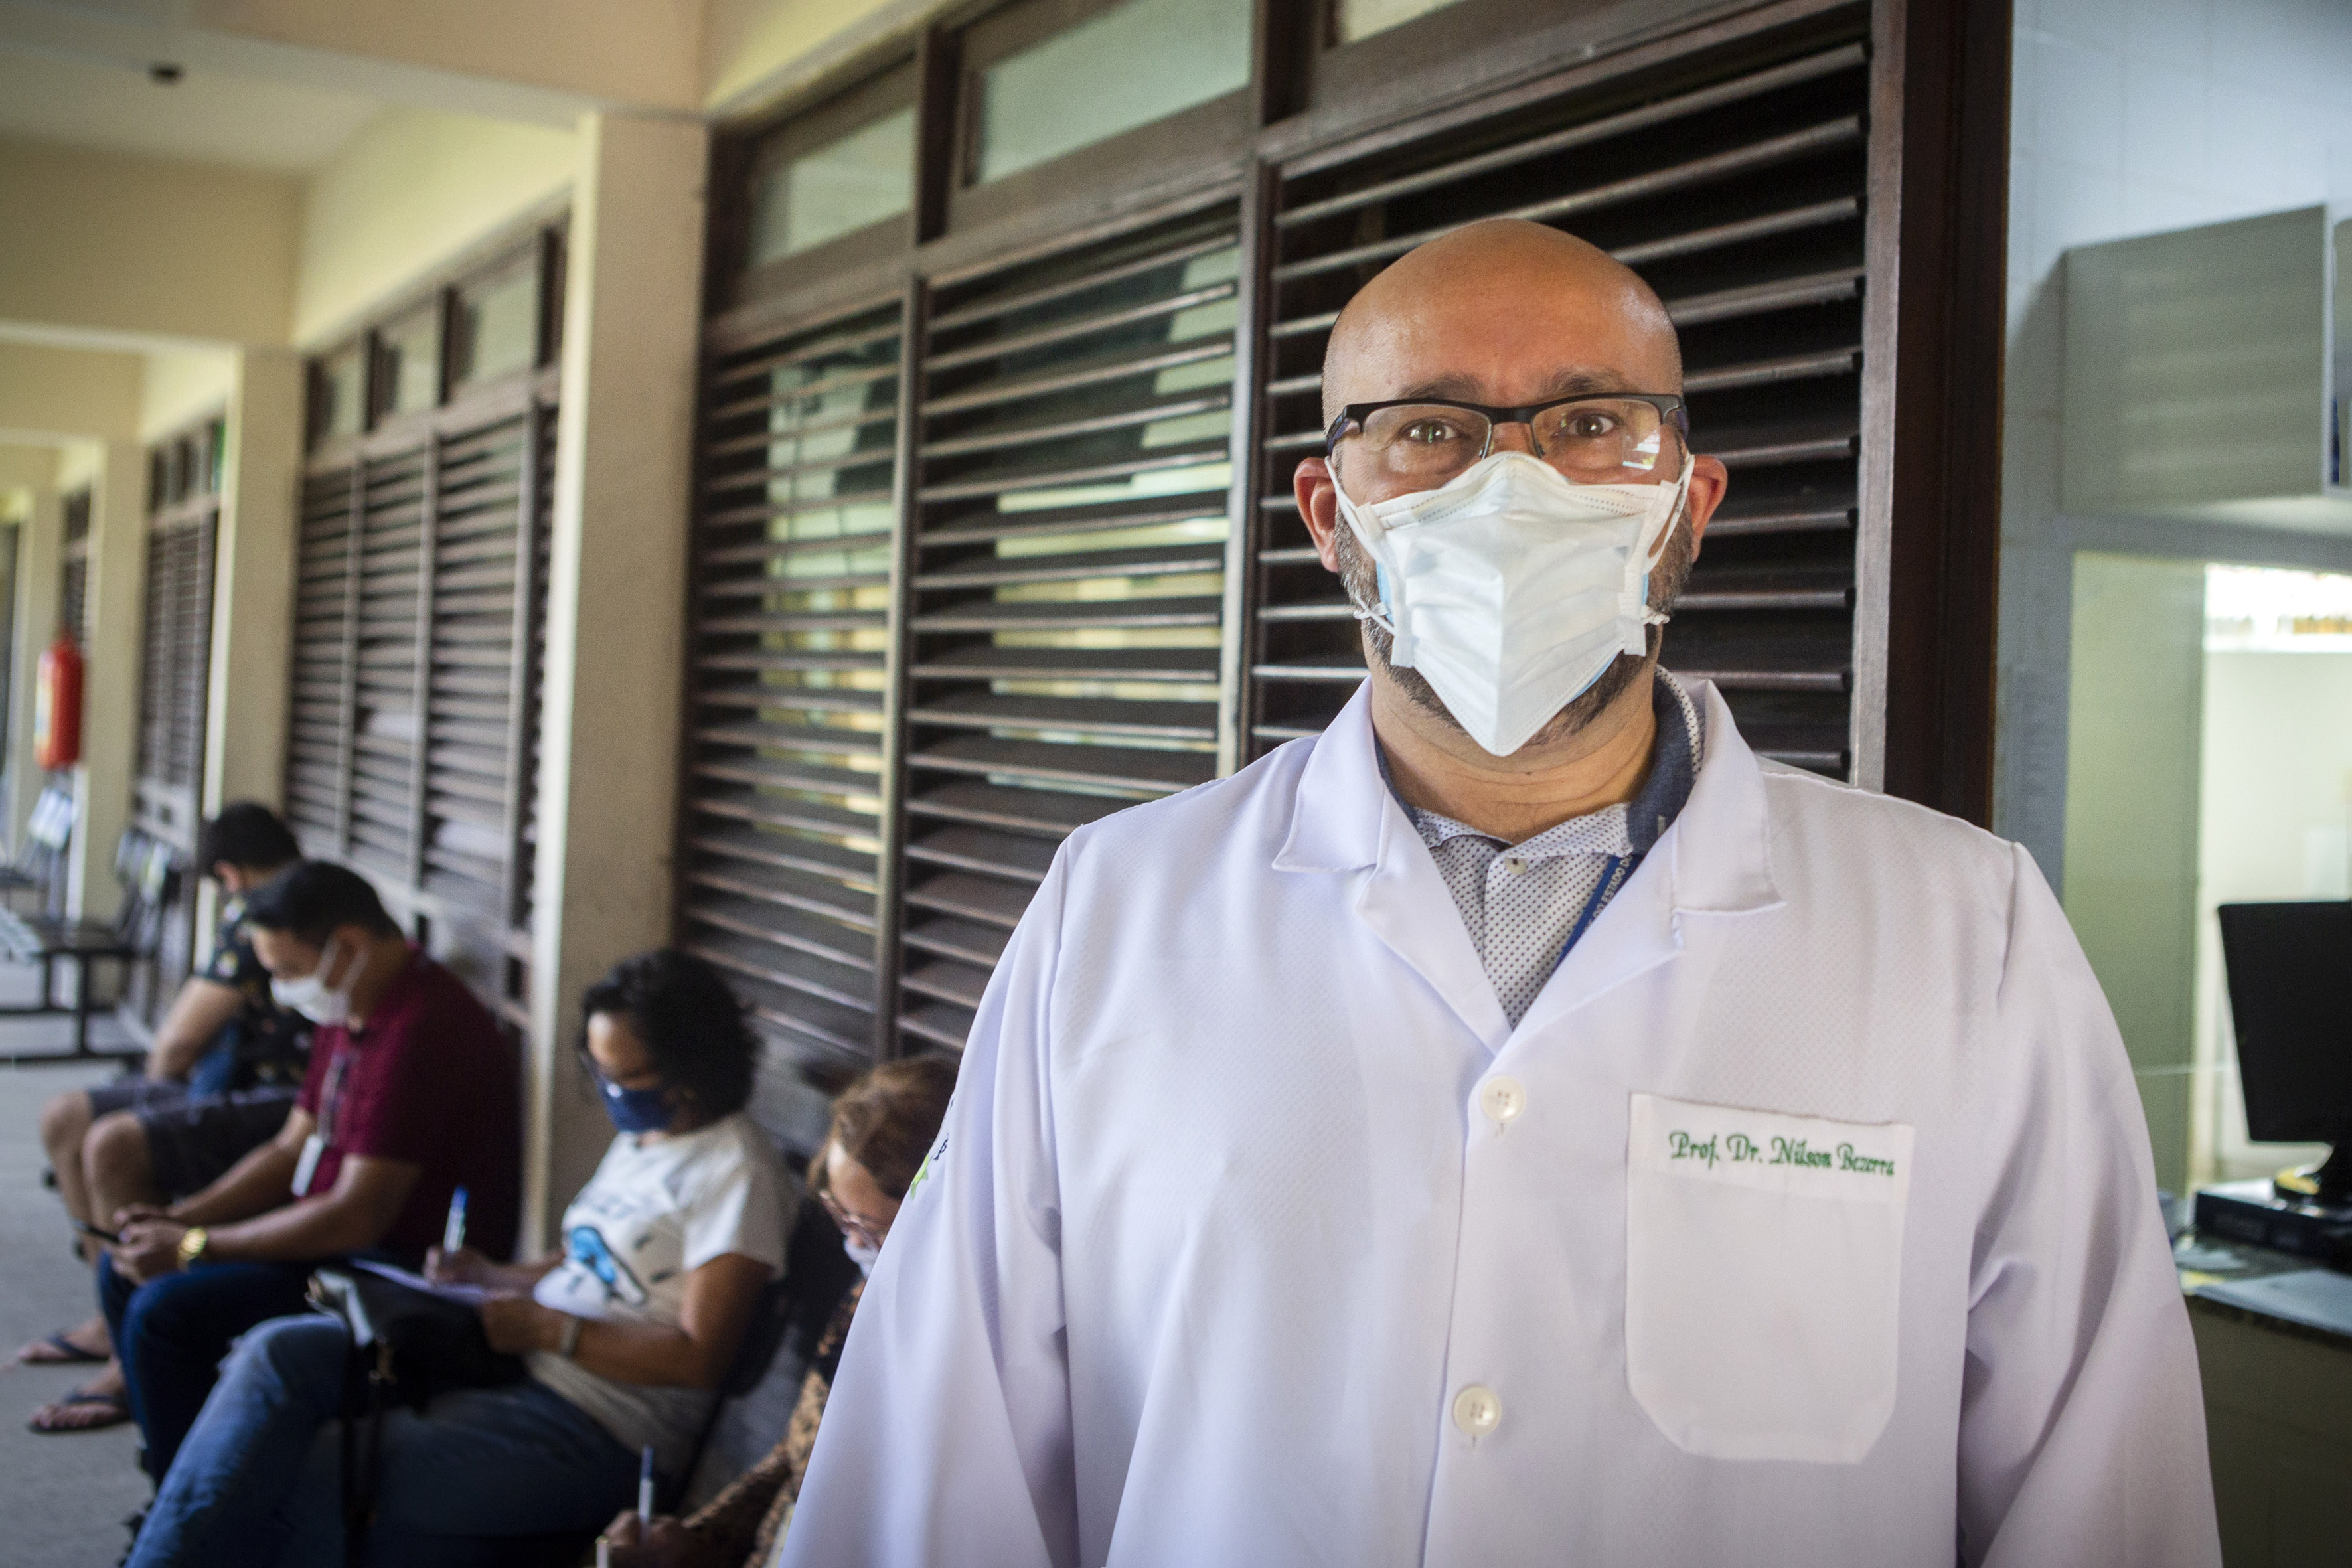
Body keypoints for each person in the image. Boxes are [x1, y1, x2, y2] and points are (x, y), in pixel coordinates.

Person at [781, 220, 2223, 1568]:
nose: (1511, 488)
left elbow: (2100, 1487)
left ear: (1687, 501)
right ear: (1327, 512)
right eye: (1430, 428)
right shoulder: (1114, 910)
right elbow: (936, 1468)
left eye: (1591, 423)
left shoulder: (1964, 929)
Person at [125, 949, 787, 1568]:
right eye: (599, 1071)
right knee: (276, 1352)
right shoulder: (648, 1137)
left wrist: (553, 1331)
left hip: (593, 1423)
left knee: (316, 1468)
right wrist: (493, 1277)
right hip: (516, 1363)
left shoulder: (737, 1171)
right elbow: (591, 1260)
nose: (610, 1090)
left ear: (691, 1067)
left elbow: (701, 1355)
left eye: (626, 1075)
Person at [96, 860, 521, 1482]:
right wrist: (180, 1219)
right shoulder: (352, 1007)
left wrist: (195, 1246)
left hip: (394, 1272)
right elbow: (291, 1146)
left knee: (167, 1312)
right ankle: (183, 1461)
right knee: (123, 1263)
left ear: (347, 946)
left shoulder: (421, 1029)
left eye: (288, 971)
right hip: (329, 1237)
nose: (281, 990)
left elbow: (356, 1217)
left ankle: (194, 1500)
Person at [17, 803, 309, 1435]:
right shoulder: (285, 900)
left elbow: (178, 1043)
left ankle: (130, 1352)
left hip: (274, 1094)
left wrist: (161, 1104)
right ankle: (111, 1312)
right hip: (232, 1083)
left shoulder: (275, 913)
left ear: (229, 874)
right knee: (67, 1116)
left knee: (114, 1142)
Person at [600, 1055, 957, 1568]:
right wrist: (695, 1543)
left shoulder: (953, 1362)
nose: (853, 1243)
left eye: (871, 1229)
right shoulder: (865, 1299)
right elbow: (795, 1457)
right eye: (839, 1215)